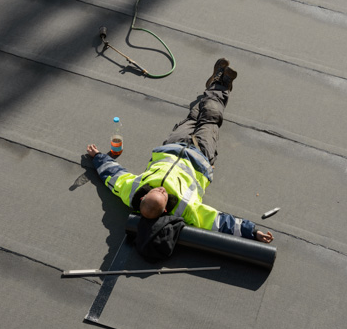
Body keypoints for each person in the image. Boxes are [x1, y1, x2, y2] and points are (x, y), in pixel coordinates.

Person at [87, 58, 274, 244]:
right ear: (166, 210)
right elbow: (218, 222)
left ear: (143, 196)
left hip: (172, 146)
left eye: (155, 191)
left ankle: (213, 88)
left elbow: (113, 176)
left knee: (194, 115)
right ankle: (221, 85)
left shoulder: (132, 191)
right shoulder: (185, 209)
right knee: (211, 117)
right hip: (201, 156)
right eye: (163, 194)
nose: (161, 189)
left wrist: (98, 158)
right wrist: (252, 232)